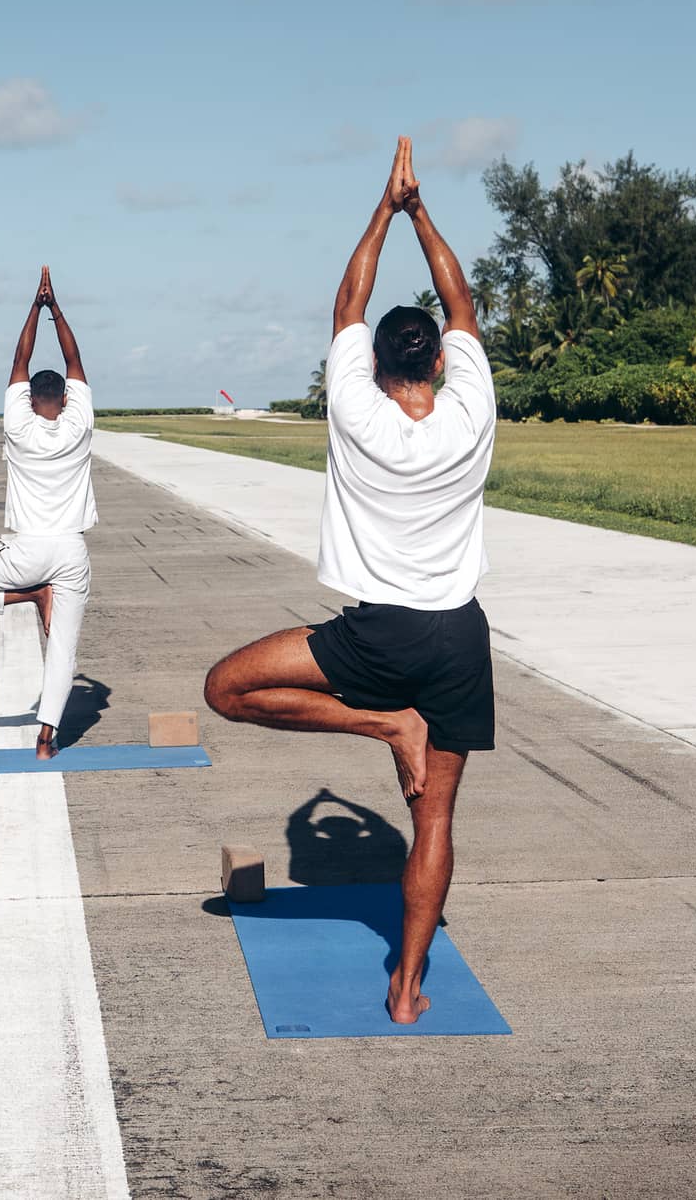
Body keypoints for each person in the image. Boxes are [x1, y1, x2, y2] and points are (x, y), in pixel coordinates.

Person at [203, 136, 497, 1024]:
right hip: (457, 639)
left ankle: (382, 724)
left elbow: (348, 299)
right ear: (440, 361)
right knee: (434, 824)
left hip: (376, 636)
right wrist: (423, 213)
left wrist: (383, 204)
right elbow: (461, 299)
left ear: (373, 363)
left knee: (226, 688)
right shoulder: (472, 404)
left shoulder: (355, 406)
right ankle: (407, 990)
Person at [0, 267, 97, 759]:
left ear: (29, 400)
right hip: (71, 550)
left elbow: (19, 359)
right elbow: (75, 357)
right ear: (67, 399)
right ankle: (46, 738)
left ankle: (29, 596)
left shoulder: (17, 425)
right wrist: (57, 310)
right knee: (63, 650)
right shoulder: (79, 423)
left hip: (27, 550)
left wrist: (35, 305)